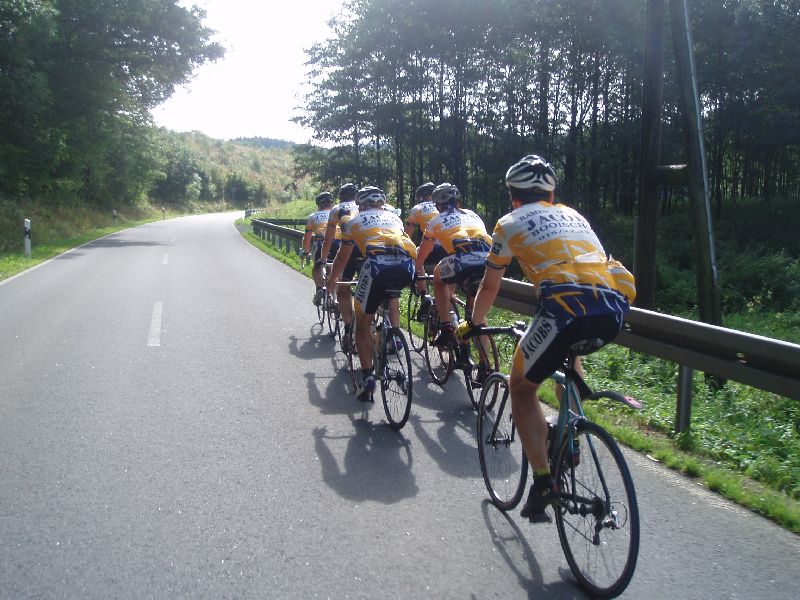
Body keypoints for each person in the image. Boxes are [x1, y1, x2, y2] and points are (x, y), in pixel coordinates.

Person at [457, 156, 636, 522]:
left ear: (513, 195)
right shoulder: (576, 216)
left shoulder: (509, 223)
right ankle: (570, 438)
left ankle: (543, 484)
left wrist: (473, 324)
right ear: (552, 194)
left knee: (520, 386)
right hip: (612, 308)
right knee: (568, 355)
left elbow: (491, 285)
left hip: (565, 310)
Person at [328, 186, 417, 401]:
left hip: (376, 266)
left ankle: (367, 377)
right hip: (406, 266)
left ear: (361, 206)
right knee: (390, 295)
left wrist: (332, 281)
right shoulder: (395, 218)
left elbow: (342, 257)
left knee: (362, 323)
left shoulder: (354, 222)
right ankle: (392, 333)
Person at [414, 183, 492, 353]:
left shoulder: (436, 220)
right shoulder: (474, 215)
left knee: (438, 278)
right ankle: (485, 365)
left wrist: (416, 269)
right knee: (475, 314)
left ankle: (447, 328)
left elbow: (423, 253)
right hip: (488, 262)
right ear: (457, 202)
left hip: (462, 261)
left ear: (439, 205)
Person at [320, 183, 359, 338]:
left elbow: (328, 239)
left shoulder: (337, 209)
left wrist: (323, 259)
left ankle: (349, 328)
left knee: (343, 286)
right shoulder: (365, 206)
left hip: (349, 248)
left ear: (340, 198)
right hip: (370, 248)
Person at [302, 192, 335, 306]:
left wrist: (306, 251)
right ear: (332, 203)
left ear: (318, 205)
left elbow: (307, 238)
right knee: (335, 267)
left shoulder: (313, 216)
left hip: (322, 243)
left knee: (317, 266)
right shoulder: (338, 214)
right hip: (339, 243)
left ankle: (320, 289)